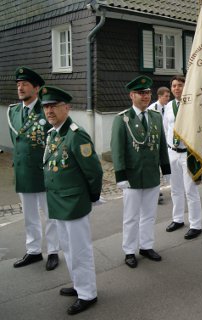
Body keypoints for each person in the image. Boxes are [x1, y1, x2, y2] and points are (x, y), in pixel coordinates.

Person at [41, 86, 102, 315]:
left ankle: (88, 294)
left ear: (67, 107)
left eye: (54, 106)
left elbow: (94, 171)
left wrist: (92, 197)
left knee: (80, 250)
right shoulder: (54, 133)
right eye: (46, 107)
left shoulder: (76, 134)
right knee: (68, 248)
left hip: (74, 203)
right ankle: (79, 285)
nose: (49, 111)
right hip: (58, 202)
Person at [111, 75, 171, 268]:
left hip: (151, 175)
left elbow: (161, 145)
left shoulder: (155, 116)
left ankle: (146, 246)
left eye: (147, 93)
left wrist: (166, 168)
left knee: (149, 214)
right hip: (132, 176)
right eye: (141, 93)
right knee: (131, 217)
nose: (145, 96)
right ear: (132, 95)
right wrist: (120, 175)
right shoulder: (122, 119)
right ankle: (129, 250)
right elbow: (117, 149)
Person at [7, 66, 60, 271]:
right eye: (18, 84)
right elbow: (17, 139)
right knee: (29, 215)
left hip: (45, 172)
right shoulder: (13, 111)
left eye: (25, 84)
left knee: (51, 214)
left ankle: (53, 250)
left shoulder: (46, 110)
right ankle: (33, 251)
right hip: (23, 171)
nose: (20, 87)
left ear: (36, 88)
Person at [163, 75, 202, 239]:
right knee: (176, 189)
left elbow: (200, 129)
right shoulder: (169, 106)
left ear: (185, 87)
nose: (177, 88)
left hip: (188, 154)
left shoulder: (192, 105)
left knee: (190, 190)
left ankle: (196, 224)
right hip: (173, 152)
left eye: (180, 85)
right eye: (174, 86)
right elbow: (167, 128)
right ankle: (178, 219)